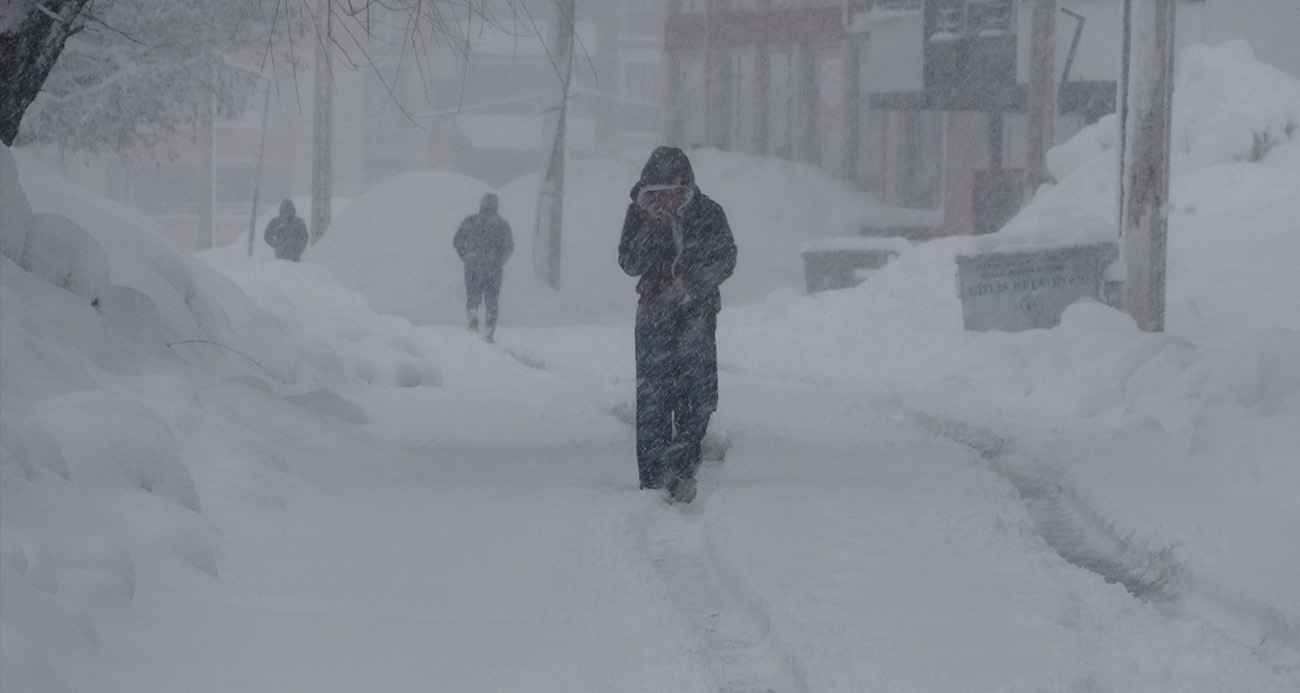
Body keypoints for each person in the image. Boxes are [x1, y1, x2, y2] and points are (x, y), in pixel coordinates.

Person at [619, 146, 736, 503]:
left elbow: (727, 258)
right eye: (655, 192)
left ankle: (682, 470)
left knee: (697, 395)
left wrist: (694, 281)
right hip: (655, 311)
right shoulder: (640, 216)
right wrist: (650, 229)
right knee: (654, 396)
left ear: (685, 187)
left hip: (697, 313)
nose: (664, 198)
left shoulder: (708, 212)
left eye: (670, 190)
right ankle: (654, 478)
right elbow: (628, 262)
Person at [454, 192, 514, 342]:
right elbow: (509, 247)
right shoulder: (502, 224)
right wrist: (499, 261)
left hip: (473, 266)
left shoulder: (471, 221)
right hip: (493, 268)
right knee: (492, 299)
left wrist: (465, 256)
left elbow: (457, 240)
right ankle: (489, 330)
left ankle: (473, 318)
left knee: (473, 297)